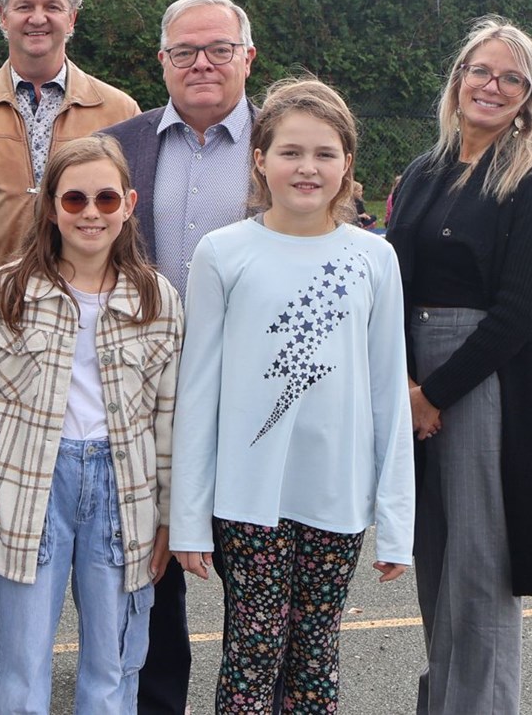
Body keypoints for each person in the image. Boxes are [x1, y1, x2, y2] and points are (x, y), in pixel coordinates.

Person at [170, 78, 415, 713]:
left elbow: (388, 391)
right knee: (252, 650)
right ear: (260, 159)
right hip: (248, 497)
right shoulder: (223, 252)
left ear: (347, 166)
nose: (307, 168)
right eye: (290, 152)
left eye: (325, 154)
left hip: (337, 494)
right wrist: (190, 516)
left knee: (315, 654)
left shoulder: (373, 259)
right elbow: (198, 395)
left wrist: (396, 522)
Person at [0, 0, 140, 696]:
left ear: (72, 17)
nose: (38, 17)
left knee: (82, 512)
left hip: (82, 323)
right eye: (24, 4)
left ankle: (100, 660)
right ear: (3, 16)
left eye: (52, 5)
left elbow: (118, 207)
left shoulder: (117, 109)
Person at [386, 17, 532, 715]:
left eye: (511, 77)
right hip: (410, 377)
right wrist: (405, 384)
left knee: (478, 572)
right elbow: (392, 281)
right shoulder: (425, 169)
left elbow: (517, 311)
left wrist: (434, 391)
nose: (492, 86)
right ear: (458, 78)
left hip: (480, 382)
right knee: (434, 563)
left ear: (527, 94)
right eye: (481, 70)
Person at [0, 135, 182, 715]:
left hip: (122, 488)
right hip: (30, 484)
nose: (90, 213)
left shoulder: (156, 298)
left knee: (112, 661)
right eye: (75, 199)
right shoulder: (6, 293)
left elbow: (168, 413)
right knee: (20, 662)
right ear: (51, 207)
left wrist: (166, 511)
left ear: (130, 204)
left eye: (106, 200)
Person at [98, 0, 260, 715]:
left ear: (246, 57)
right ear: (161, 63)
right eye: (185, 51)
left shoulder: (284, 142)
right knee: (152, 575)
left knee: (254, 581)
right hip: (147, 401)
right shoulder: (122, 146)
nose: (202, 63)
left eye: (219, 49)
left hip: (255, 397)